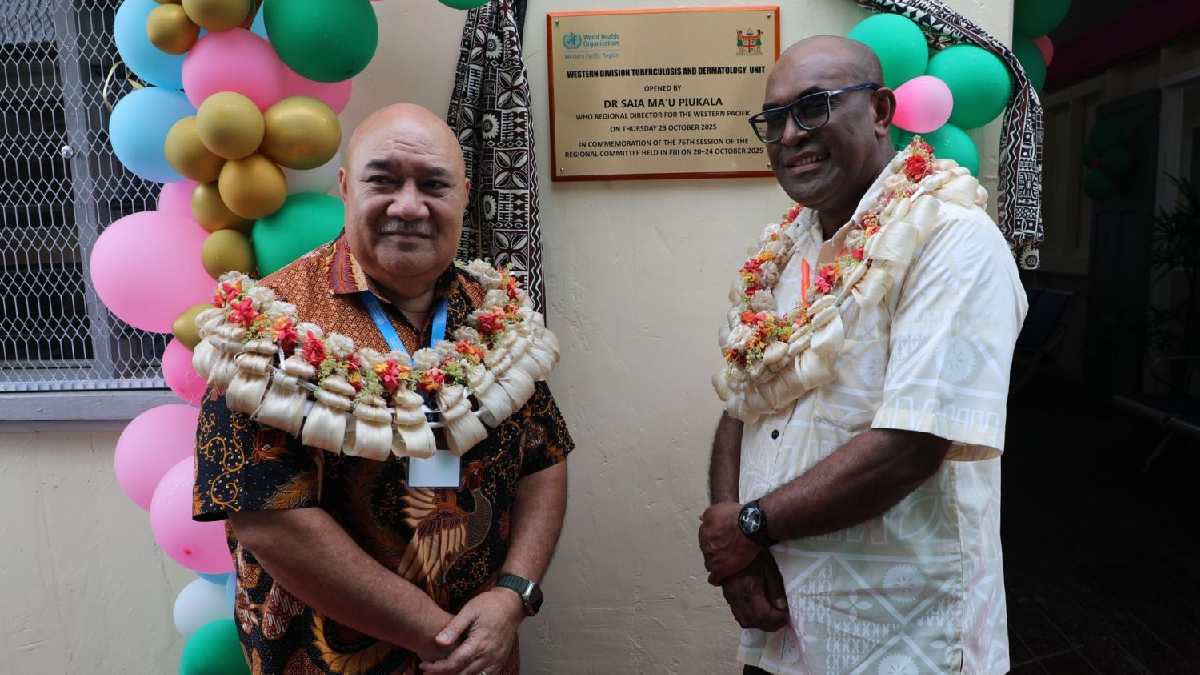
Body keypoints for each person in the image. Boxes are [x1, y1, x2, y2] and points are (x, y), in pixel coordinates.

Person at [192, 103, 573, 675]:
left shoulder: (495, 313)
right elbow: (265, 515)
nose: (409, 206)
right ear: (346, 187)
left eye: (433, 184)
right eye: (384, 180)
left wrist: (513, 596)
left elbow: (544, 457)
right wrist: (439, 635)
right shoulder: (269, 325)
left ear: (464, 195)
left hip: (485, 652)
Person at [700, 36, 1027, 675]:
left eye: (814, 107)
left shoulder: (952, 240)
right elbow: (742, 399)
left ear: (880, 111)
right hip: (783, 619)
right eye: (774, 119)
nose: (790, 134)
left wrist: (750, 526)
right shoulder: (784, 251)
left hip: (902, 636)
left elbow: (911, 445)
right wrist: (734, 541)